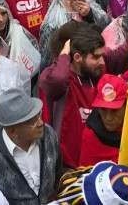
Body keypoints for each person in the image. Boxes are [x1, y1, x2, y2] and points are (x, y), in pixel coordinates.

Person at [38, 23, 106, 168]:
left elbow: (118, 57)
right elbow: (58, 80)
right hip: (66, 166)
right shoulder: (55, 78)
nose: (102, 62)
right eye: (96, 57)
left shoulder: (93, 73)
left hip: (93, 161)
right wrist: (63, 55)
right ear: (76, 57)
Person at [38, 0, 109, 69]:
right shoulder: (53, 22)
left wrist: (89, 15)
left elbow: (106, 27)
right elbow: (48, 63)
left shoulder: (88, 4)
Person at [77, 74, 127, 166]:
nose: (108, 118)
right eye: (103, 109)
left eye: (114, 110)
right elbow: (85, 174)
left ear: (126, 106)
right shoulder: (91, 134)